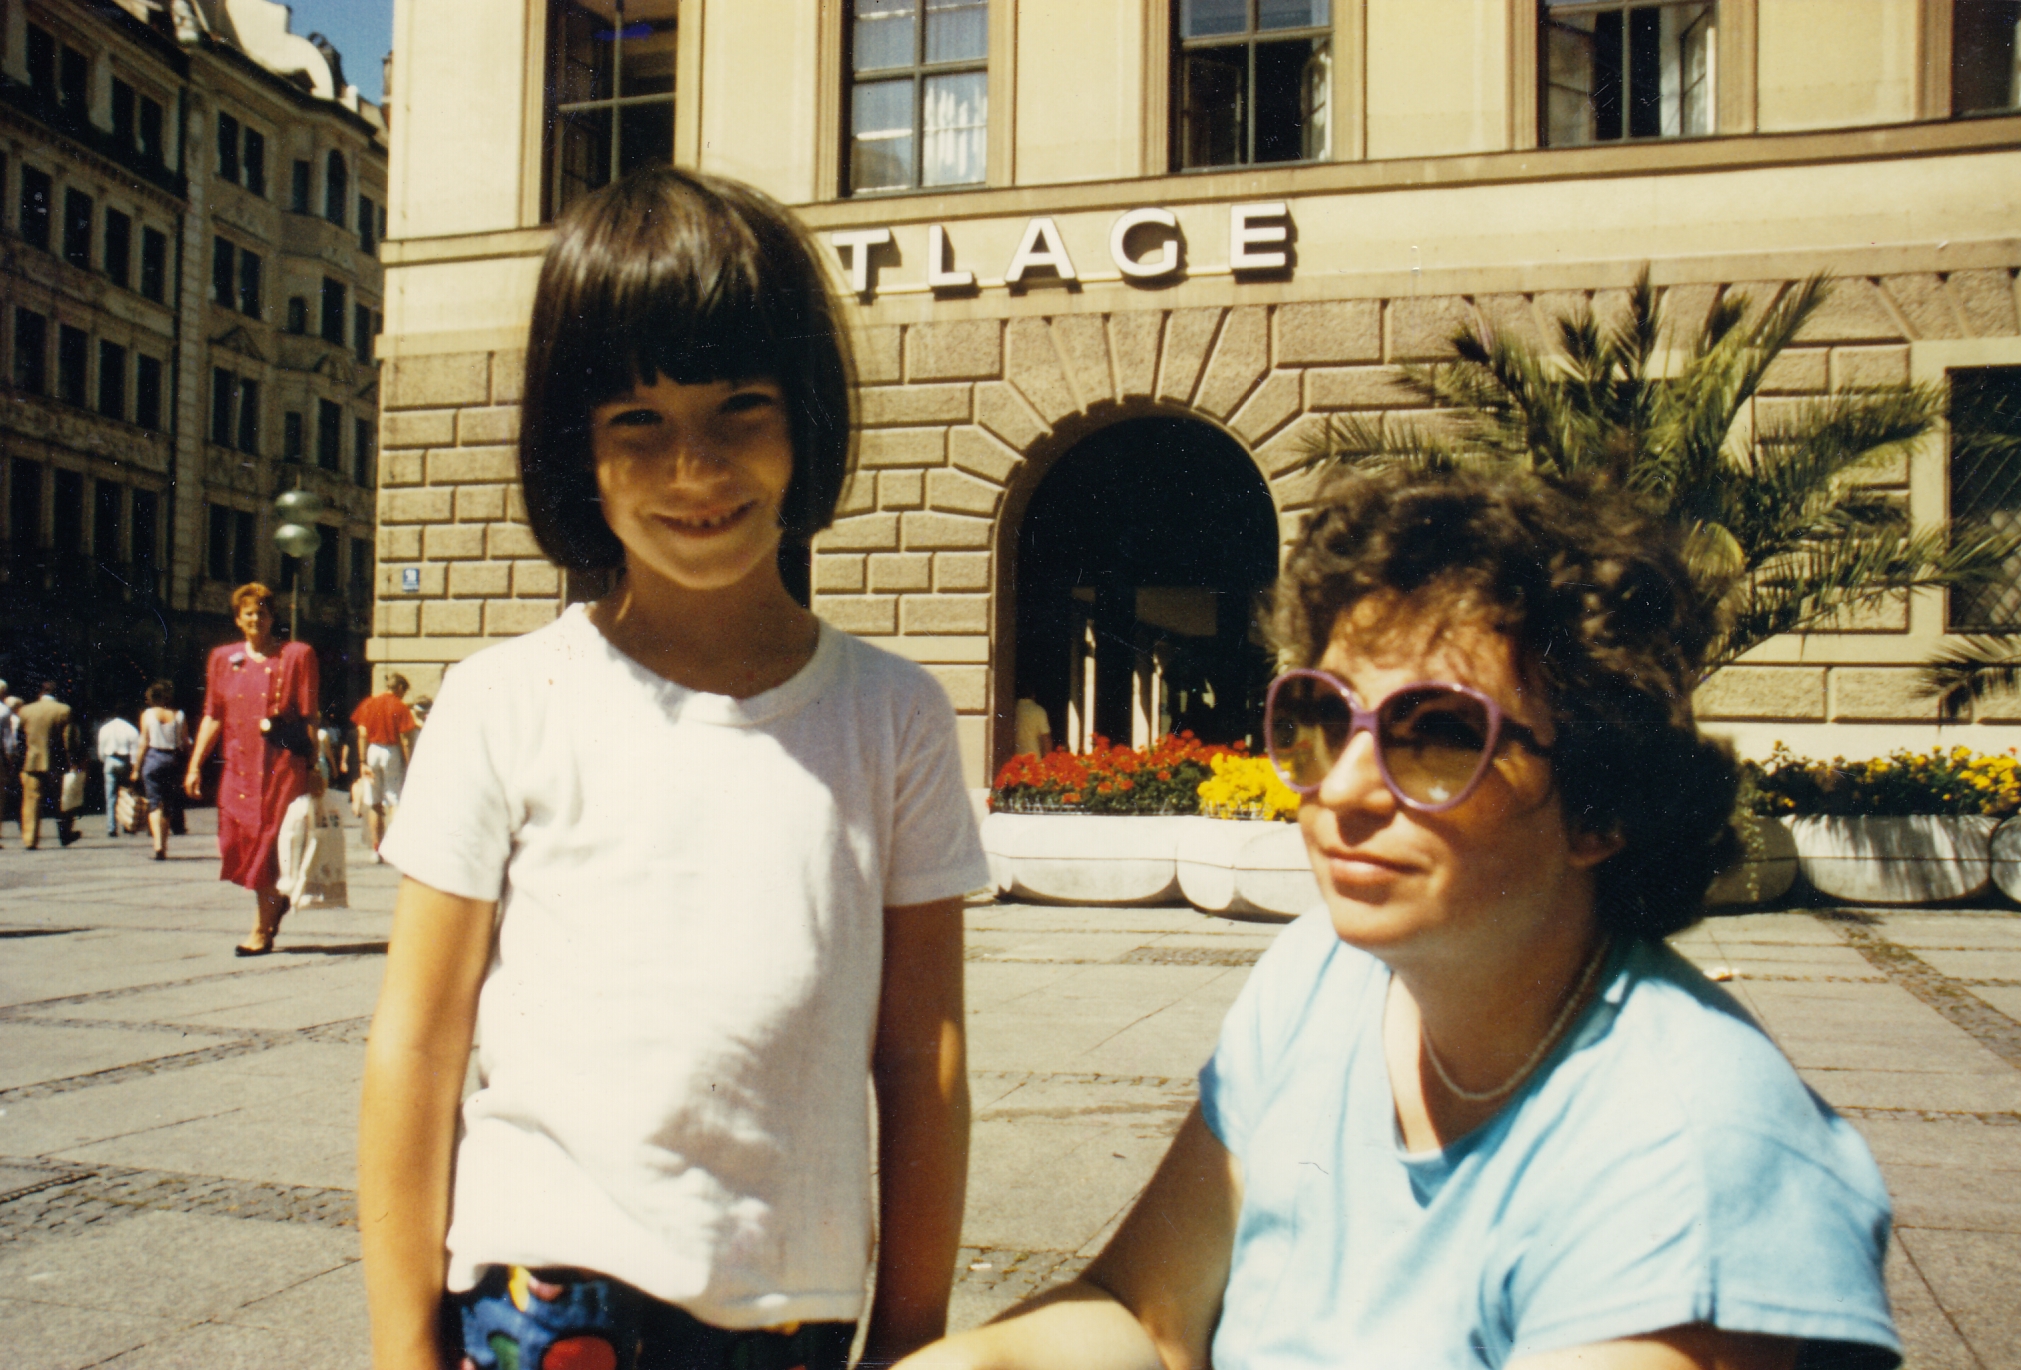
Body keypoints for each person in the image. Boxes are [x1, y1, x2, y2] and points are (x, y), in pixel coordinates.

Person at [898, 465, 1899, 1370]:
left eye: (1437, 738)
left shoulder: (1687, 1154)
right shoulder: (1321, 976)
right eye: (1319, 717)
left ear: (1601, 805)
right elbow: (1145, 1315)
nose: (1341, 786)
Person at [358, 166, 988, 1370]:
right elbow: (418, 1042)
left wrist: (912, 1326)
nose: (694, 465)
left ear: (806, 418)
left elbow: (924, 1053)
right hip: (544, 1287)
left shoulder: (892, 715)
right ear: (576, 448)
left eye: (741, 406)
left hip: (790, 1303)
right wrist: (402, 1345)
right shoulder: (504, 699)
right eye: (636, 420)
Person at [185, 584, 319, 955]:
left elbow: (309, 716)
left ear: (273, 617)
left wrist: (314, 766)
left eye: (262, 612)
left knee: (266, 844)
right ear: (238, 620)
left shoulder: (296, 655)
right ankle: (275, 902)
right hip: (239, 768)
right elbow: (213, 715)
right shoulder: (222, 658)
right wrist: (195, 765)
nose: (256, 619)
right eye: (249, 613)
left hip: (281, 767)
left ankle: (261, 930)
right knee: (235, 840)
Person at [350, 673, 417, 861]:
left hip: (372, 751)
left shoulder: (369, 703)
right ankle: (395, 846)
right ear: (400, 688)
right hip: (391, 751)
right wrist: (409, 762)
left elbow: (362, 733)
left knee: (374, 801)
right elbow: (405, 740)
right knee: (394, 799)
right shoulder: (400, 706)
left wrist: (362, 761)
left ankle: (376, 848)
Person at [17, 683, 82, 850]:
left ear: (40, 693)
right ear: (57, 694)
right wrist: (72, 761)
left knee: (31, 801)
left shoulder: (25, 711)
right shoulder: (63, 710)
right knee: (62, 801)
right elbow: (68, 740)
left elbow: (20, 738)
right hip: (56, 763)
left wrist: (21, 760)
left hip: (32, 762)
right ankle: (64, 834)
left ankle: (30, 839)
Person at [136, 680, 186, 861]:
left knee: (154, 803)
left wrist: (136, 768)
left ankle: (158, 845)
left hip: (153, 759)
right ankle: (164, 845)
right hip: (172, 760)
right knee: (167, 805)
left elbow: (144, 742)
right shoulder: (179, 715)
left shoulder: (148, 715)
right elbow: (184, 741)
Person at [98, 707, 142, 838]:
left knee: (110, 796)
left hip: (110, 760)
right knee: (126, 794)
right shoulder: (131, 729)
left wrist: (104, 760)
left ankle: (111, 827)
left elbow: (101, 750)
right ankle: (127, 823)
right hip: (124, 761)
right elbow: (135, 751)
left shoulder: (105, 728)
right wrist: (134, 768)